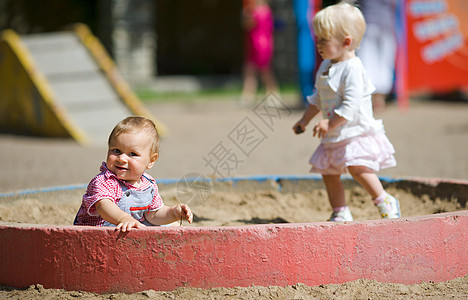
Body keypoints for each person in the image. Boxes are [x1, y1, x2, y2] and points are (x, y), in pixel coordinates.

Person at [292, 1, 400, 222]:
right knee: (329, 172)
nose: (318, 44)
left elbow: (350, 107)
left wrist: (328, 124)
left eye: (324, 40)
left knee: (357, 168)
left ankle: (383, 199)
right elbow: (318, 99)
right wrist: (304, 120)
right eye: (317, 38)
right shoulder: (326, 65)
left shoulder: (353, 69)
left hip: (354, 132)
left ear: (346, 41)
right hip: (334, 135)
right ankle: (340, 211)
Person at [74, 116, 193, 232]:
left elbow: (153, 214)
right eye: (116, 151)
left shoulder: (147, 184)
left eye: (132, 154)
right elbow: (103, 206)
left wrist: (173, 213)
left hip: (129, 231)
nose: (122, 159)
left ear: (151, 161)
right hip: (98, 233)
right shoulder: (104, 181)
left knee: (169, 226)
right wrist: (123, 218)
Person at [357, 0, 398, 113]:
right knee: (383, 62)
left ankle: (373, 98)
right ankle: (378, 98)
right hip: (384, 22)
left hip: (371, 22)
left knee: (369, 60)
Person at [241, 0, 278, 104]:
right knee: (249, 70)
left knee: (264, 71)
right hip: (254, 43)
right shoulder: (259, 10)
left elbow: (249, 24)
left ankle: (273, 93)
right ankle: (248, 95)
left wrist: (247, 14)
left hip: (261, 45)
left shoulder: (261, 11)